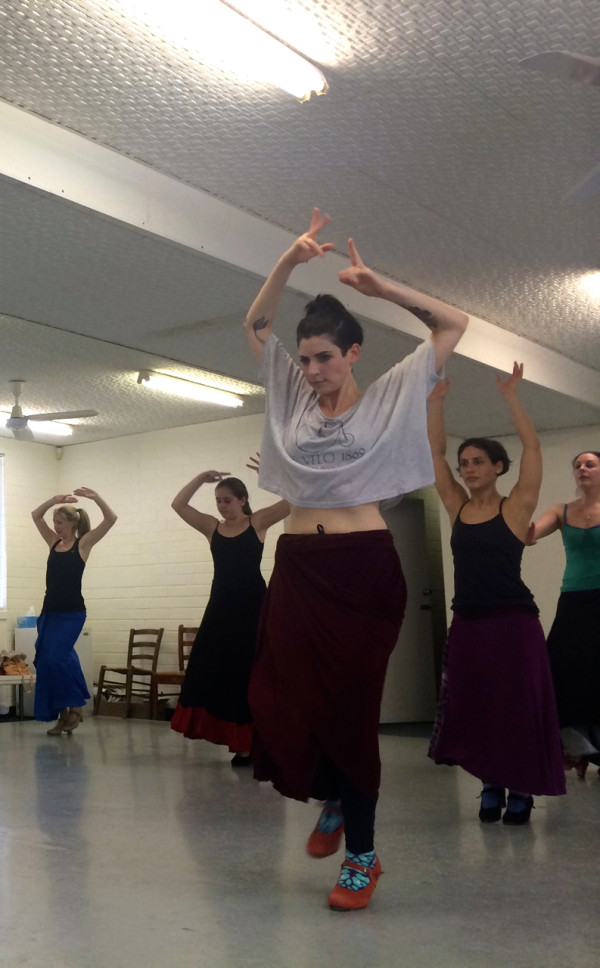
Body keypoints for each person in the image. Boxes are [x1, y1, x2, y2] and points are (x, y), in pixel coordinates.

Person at [243, 207, 468, 911]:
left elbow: (452, 325)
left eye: (325, 358)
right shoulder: (291, 394)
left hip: (363, 571)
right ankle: (334, 795)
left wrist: (382, 287)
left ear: (354, 353)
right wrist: (288, 261)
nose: (312, 370)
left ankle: (362, 857)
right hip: (298, 570)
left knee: (351, 711)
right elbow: (256, 325)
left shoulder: (394, 394)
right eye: (306, 358)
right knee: (278, 698)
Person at [427, 365, 565, 825]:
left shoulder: (516, 506)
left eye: (478, 462)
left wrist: (511, 397)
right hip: (469, 623)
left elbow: (532, 448)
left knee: (517, 708)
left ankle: (520, 787)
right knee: (480, 708)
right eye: (464, 463)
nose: (468, 469)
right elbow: (434, 452)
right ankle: (491, 784)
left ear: (498, 467)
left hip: (513, 623)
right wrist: (436, 403)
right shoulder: (457, 506)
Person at [169, 469, 289, 764]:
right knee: (215, 669)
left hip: (252, 607)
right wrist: (199, 479)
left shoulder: (257, 522)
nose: (222, 506)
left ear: (243, 500)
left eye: (227, 500)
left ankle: (255, 742)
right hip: (221, 607)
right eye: (218, 501)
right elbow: (178, 505)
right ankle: (239, 741)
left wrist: (274, 475)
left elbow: (293, 501)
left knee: (249, 671)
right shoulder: (212, 527)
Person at [532, 451, 600, 778]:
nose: (582, 468)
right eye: (578, 465)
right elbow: (530, 535)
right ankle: (577, 746)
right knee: (560, 667)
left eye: (590, 464)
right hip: (573, 599)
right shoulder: (560, 511)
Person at [31, 489, 117, 735]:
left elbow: (111, 519)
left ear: (72, 523)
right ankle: (64, 715)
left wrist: (96, 498)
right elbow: (36, 516)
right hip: (50, 612)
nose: (55, 527)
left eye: (59, 522)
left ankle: (76, 707)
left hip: (72, 614)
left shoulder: (83, 544)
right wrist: (54, 500)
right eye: (54, 522)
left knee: (57, 658)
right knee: (48, 661)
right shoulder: (53, 543)